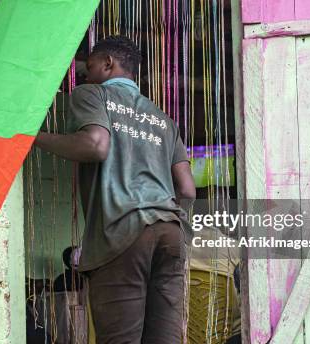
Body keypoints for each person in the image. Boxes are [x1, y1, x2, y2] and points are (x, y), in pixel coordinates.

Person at [33, 35, 196, 343]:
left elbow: (95, 145)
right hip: (171, 232)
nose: (85, 73)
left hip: (124, 231)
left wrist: (34, 138)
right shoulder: (163, 119)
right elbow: (187, 189)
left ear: (107, 64)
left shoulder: (91, 95)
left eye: (90, 66)